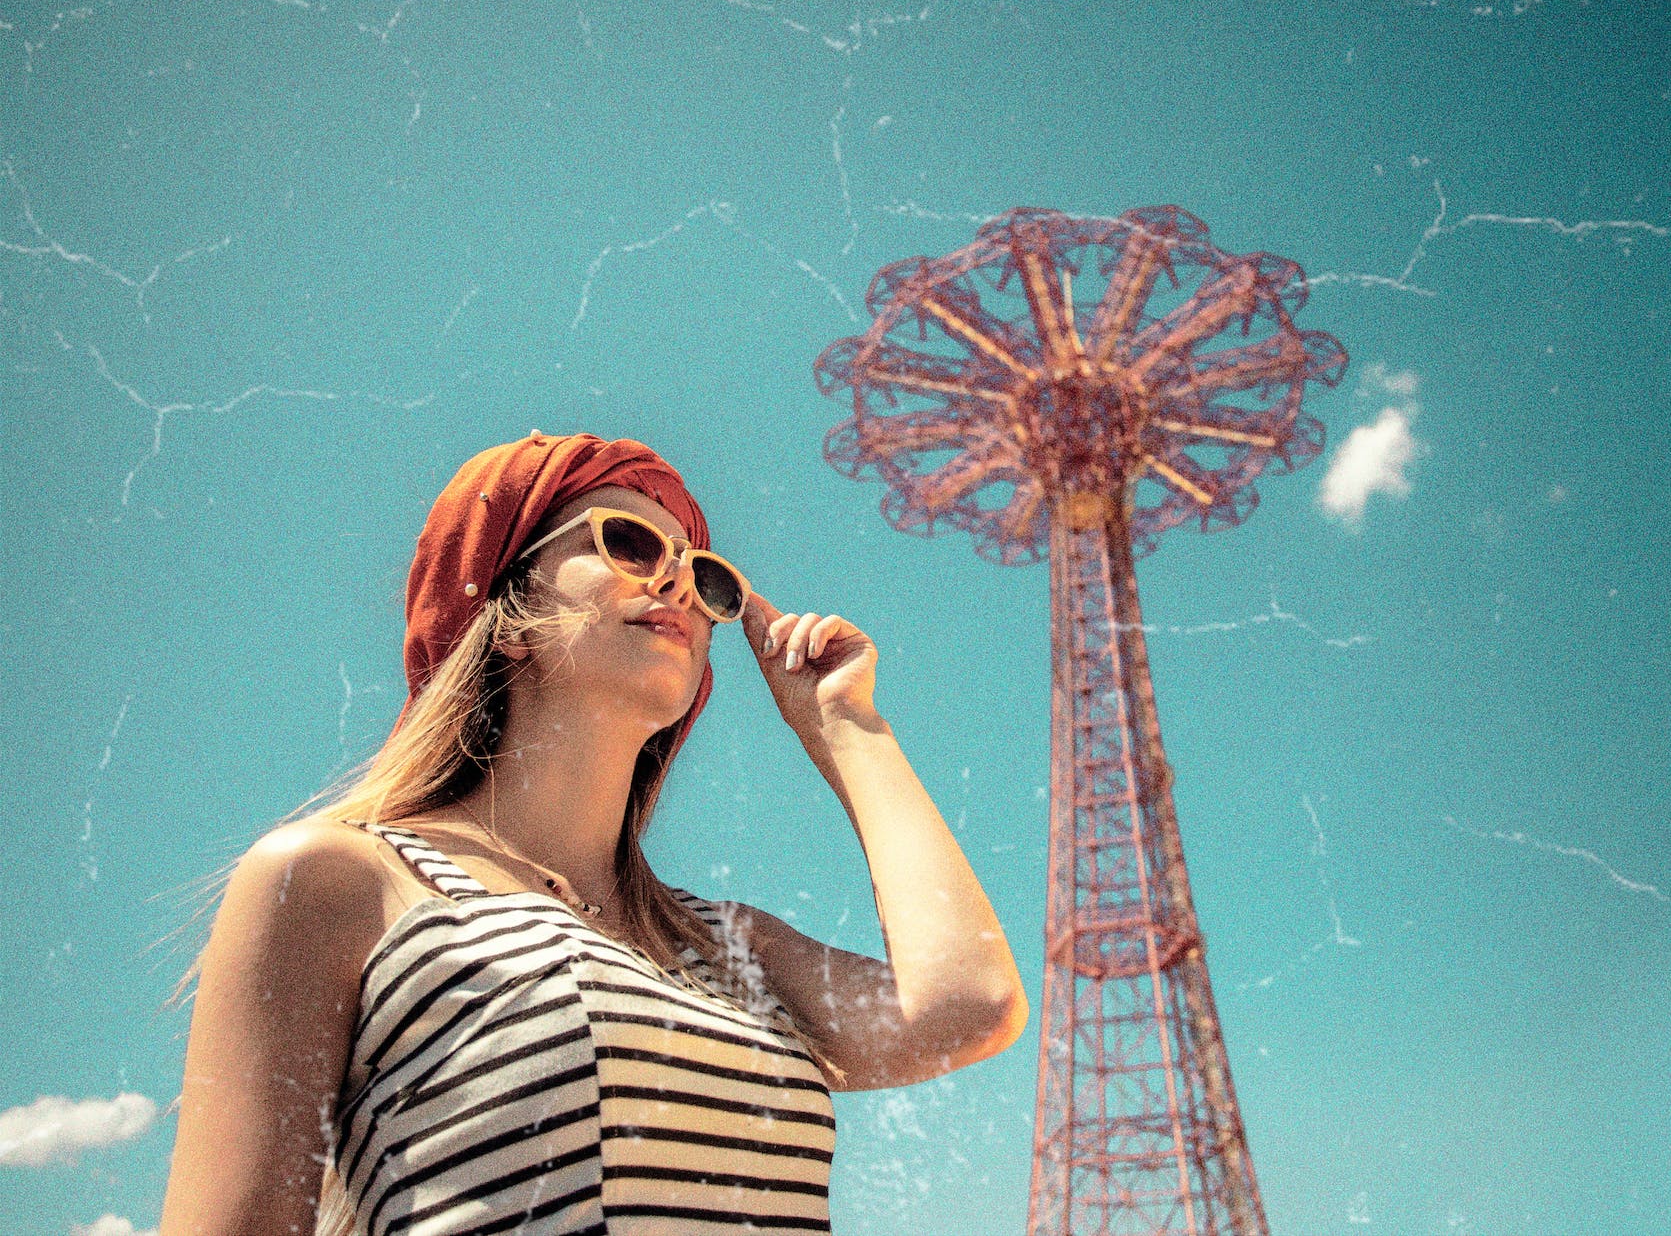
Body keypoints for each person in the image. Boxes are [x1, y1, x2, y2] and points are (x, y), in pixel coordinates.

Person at [158, 430, 1028, 1235]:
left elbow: (969, 1006)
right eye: (630, 543)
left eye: (704, 572)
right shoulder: (338, 880)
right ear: (503, 612)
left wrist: (847, 727)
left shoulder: (723, 944)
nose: (678, 581)